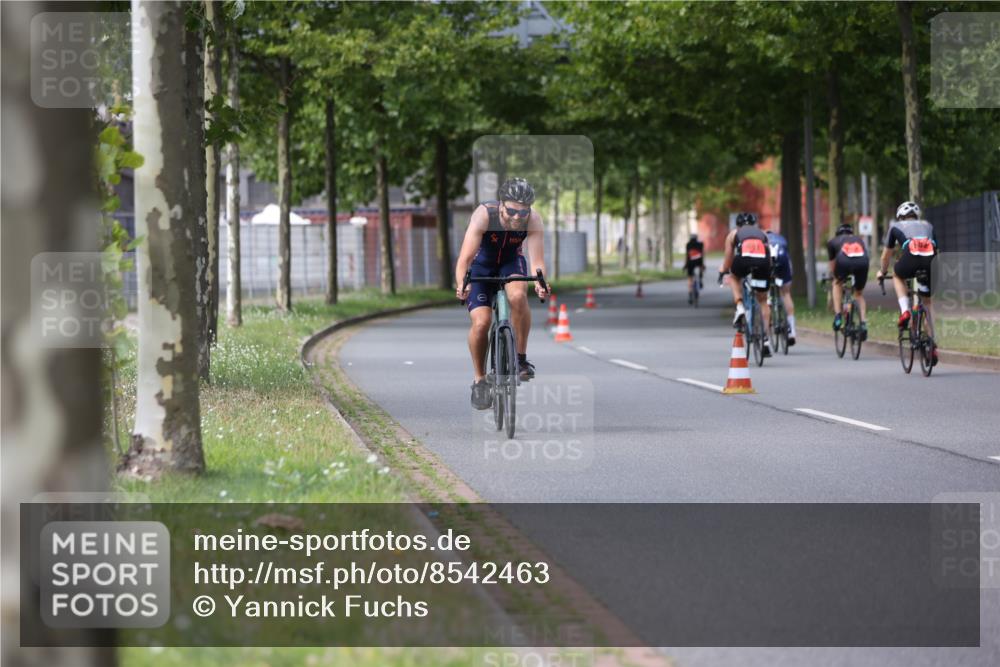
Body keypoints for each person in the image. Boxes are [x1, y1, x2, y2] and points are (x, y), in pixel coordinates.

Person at [455, 178, 549, 409]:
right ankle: (480, 379)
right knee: (481, 322)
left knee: (518, 296)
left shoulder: (533, 220)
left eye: (523, 212)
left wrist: (541, 283)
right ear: (501, 205)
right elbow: (464, 259)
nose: (517, 217)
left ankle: (520, 359)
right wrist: (462, 284)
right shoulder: (484, 215)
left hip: (511, 262)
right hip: (481, 266)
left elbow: (537, 261)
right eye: (512, 211)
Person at [876, 200, 938, 365]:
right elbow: (936, 249)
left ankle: (905, 311)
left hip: (910, 258)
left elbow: (885, 256)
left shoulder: (895, 227)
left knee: (897, 276)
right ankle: (932, 344)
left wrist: (882, 272)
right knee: (928, 303)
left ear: (900, 217)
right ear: (916, 216)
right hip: (930, 262)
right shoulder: (928, 225)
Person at [719, 212, 773, 357]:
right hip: (762, 261)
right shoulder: (763, 234)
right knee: (763, 300)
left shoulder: (734, 234)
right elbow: (769, 256)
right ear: (754, 224)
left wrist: (723, 271)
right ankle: (766, 340)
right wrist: (767, 272)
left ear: (738, 225)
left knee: (734, 277)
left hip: (744, 259)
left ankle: (740, 307)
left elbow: (728, 260)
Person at [826, 223, 871, 340]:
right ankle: (863, 323)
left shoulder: (832, 242)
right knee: (858, 294)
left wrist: (835, 277)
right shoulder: (859, 240)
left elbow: (832, 265)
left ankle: (838, 317)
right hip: (862, 263)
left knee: (837, 283)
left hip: (843, 262)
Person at [765, 227, 797, 346]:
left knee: (765, 293)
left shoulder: (762, 239)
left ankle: (766, 332)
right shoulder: (781, 239)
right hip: (783, 259)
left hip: (768, 260)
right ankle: (791, 330)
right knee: (786, 293)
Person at [684, 232, 705, 304]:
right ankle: (700, 280)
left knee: (690, 278)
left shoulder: (688, 244)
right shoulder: (701, 244)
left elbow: (687, 255)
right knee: (700, 268)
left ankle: (690, 295)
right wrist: (703, 264)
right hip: (698, 262)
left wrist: (685, 265)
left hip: (690, 263)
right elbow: (702, 255)